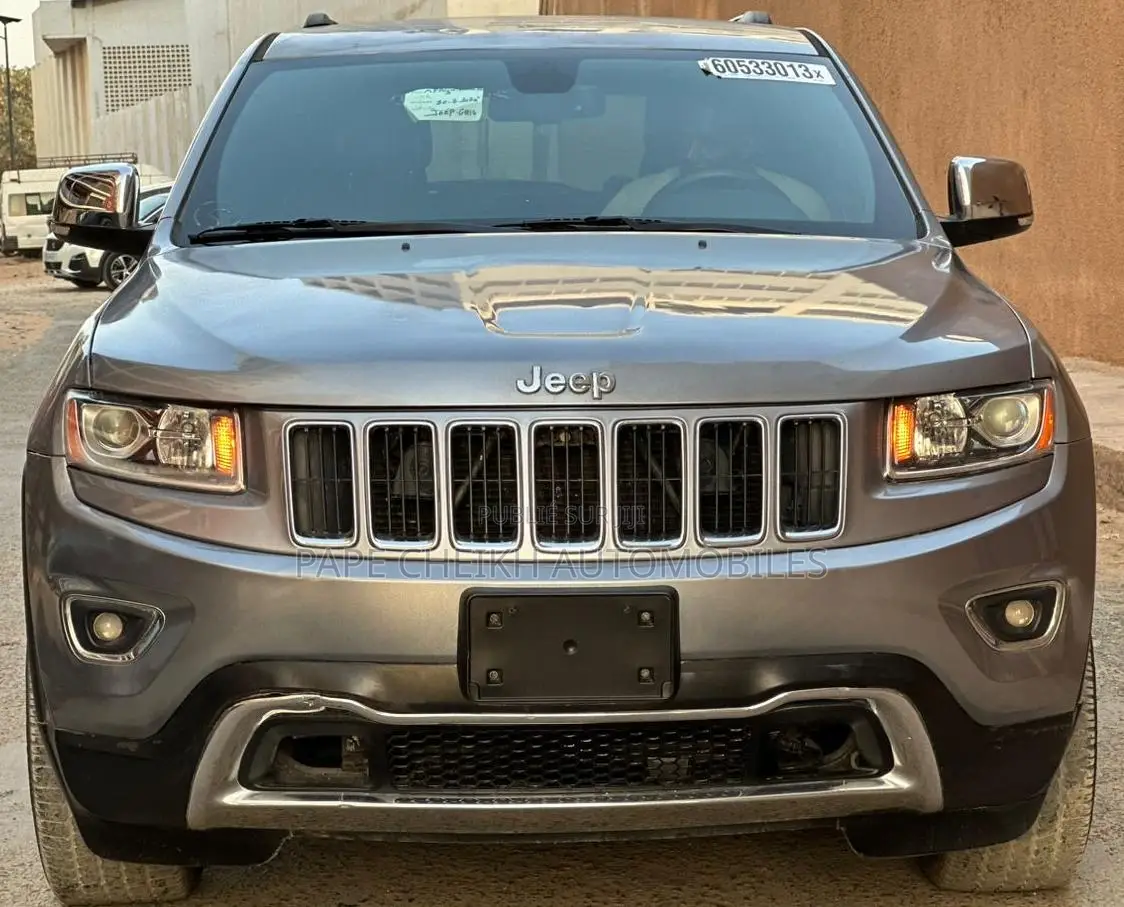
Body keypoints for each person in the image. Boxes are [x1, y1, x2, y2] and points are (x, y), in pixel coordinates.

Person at [602, 102, 830, 221]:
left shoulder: (802, 201)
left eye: (710, 143)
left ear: (746, 144)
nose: (691, 154)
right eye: (687, 141)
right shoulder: (635, 199)